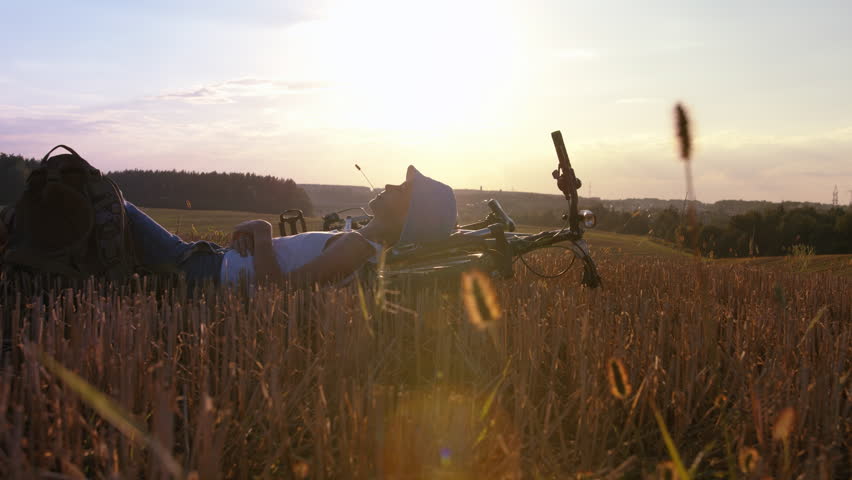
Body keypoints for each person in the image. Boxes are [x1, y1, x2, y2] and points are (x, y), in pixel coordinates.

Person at [125, 165, 456, 289]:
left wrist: (261, 232)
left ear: (408, 216)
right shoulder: (357, 241)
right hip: (211, 261)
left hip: (205, 270)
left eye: (402, 190)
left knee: (112, 202)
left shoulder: (357, 248)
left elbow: (278, 291)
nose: (390, 185)